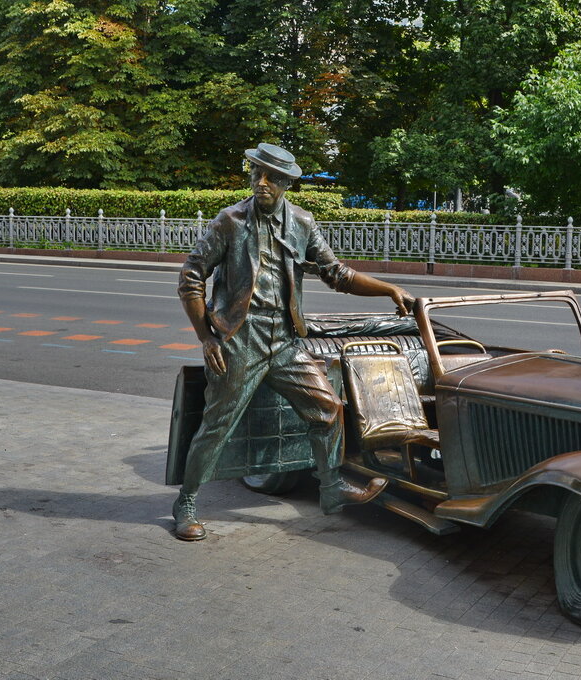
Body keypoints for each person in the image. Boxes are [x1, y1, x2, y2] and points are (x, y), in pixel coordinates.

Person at [173, 143, 412, 541]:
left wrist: (389, 289)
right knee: (217, 425)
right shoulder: (230, 221)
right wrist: (207, 337)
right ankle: (187, 501)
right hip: (240, 337)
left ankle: (331, 485)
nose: (261, 182)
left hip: (284, 339)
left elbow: (337, 273)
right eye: (256, 174)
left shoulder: (301, 222)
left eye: (271, 177)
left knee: (327, 407)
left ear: (286, 184)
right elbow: (191, 279)